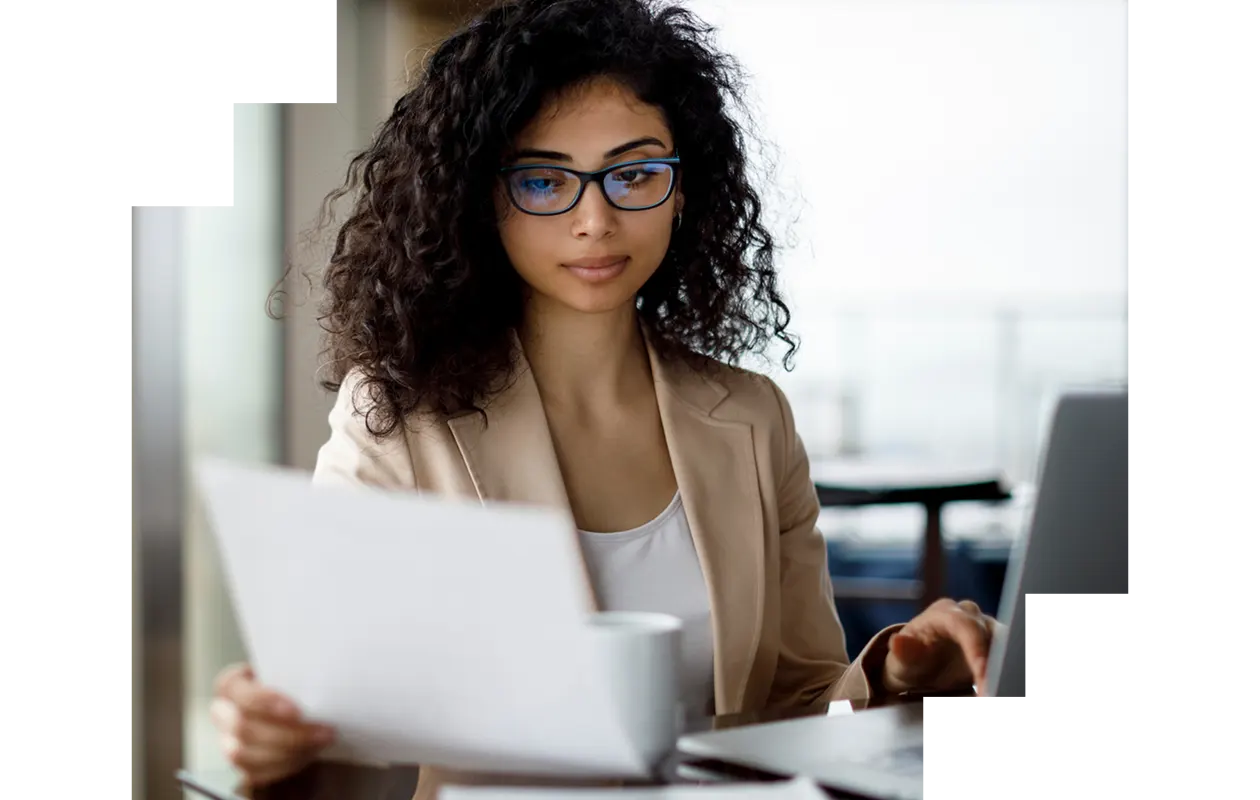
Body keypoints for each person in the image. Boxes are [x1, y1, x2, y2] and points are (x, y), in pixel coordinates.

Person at [211, 0, 999, 794]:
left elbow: (796, 702)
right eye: (543, 180)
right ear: (483, 199)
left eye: (634, 174)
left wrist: (893, 674)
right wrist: (284, 738)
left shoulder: (754, 417)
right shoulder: (394, 418)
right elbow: (343, 718)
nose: (596, 219)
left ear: (683, 188)